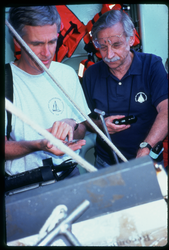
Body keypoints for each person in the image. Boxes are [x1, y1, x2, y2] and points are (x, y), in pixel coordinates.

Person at [5, 6, 91, 179]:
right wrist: (38, 144)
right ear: (16, 41)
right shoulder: (6, 80)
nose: (47, 53)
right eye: (37, 44)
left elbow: (82, 129)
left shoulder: (66, 74)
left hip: (69, 174)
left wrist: (70, 124)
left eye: (52, 42)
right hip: (24, 184)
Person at [83, 9, 168, 169]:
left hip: (148, 159)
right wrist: (100, 126)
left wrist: (146, 148)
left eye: (116, 45)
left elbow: (166, 111)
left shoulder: (152, 65)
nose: (109, 54)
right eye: (102, 47)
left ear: (131, 39)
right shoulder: (91, 74)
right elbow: (82, 120)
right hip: (106, 163)